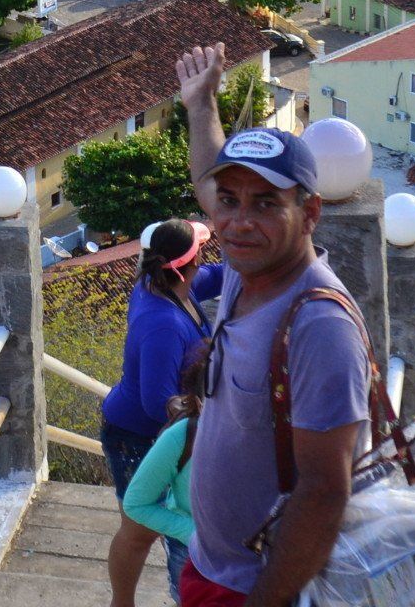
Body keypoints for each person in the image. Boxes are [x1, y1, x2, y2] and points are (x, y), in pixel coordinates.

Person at [172, 45, 372, 607]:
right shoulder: (249, 269)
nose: (239, 221)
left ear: (309, 214)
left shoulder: (319, 325)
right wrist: (201, 105)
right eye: (229, 202)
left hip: (253, 586)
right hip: (211, 565)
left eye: (265, 204)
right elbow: (208, 181)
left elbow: (325, 491)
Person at [100, 220, 221, 607]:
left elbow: (220, 276)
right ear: (191, 262)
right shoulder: (163, 324)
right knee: (139, 529)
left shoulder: (171, 286)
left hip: (153, 431)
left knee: (149, 526)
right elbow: (157, 402)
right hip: (136, 435)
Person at [121, 372, 204, 570]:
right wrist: (194, 534)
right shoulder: (182, 436)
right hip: (190, 551)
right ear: (200, 404)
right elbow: (135, 504)